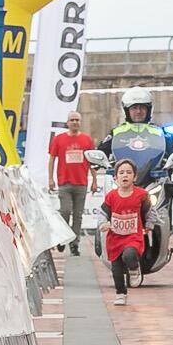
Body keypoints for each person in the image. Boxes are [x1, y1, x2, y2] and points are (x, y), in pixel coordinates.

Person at [100, 159, 151, 306]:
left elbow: (149, 212)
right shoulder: (111, 196)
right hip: (115, 238)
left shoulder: (141, 194)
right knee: (116, 269)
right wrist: (103, 223)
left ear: (135, 177)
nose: (125, 175)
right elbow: (103, 213)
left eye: (129, 172)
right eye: (121, 173)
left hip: (133, 237)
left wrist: (150, 224)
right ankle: (120, 293)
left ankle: (134, 268)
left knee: (129, 254)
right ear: (115, 178)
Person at [45, 112, 95, 254]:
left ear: (80, 122)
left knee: (78, 215)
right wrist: (50, 178)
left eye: (77, 120)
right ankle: (62, 238)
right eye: (72, 120)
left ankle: (75, 245)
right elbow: (52, 159)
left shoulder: (87, 140)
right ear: (67, 122)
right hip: (64, 183)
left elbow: (92, 162)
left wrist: (94, 180)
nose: (74, 122)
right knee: (65, 211)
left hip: (81, 183)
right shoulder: (59, 139)